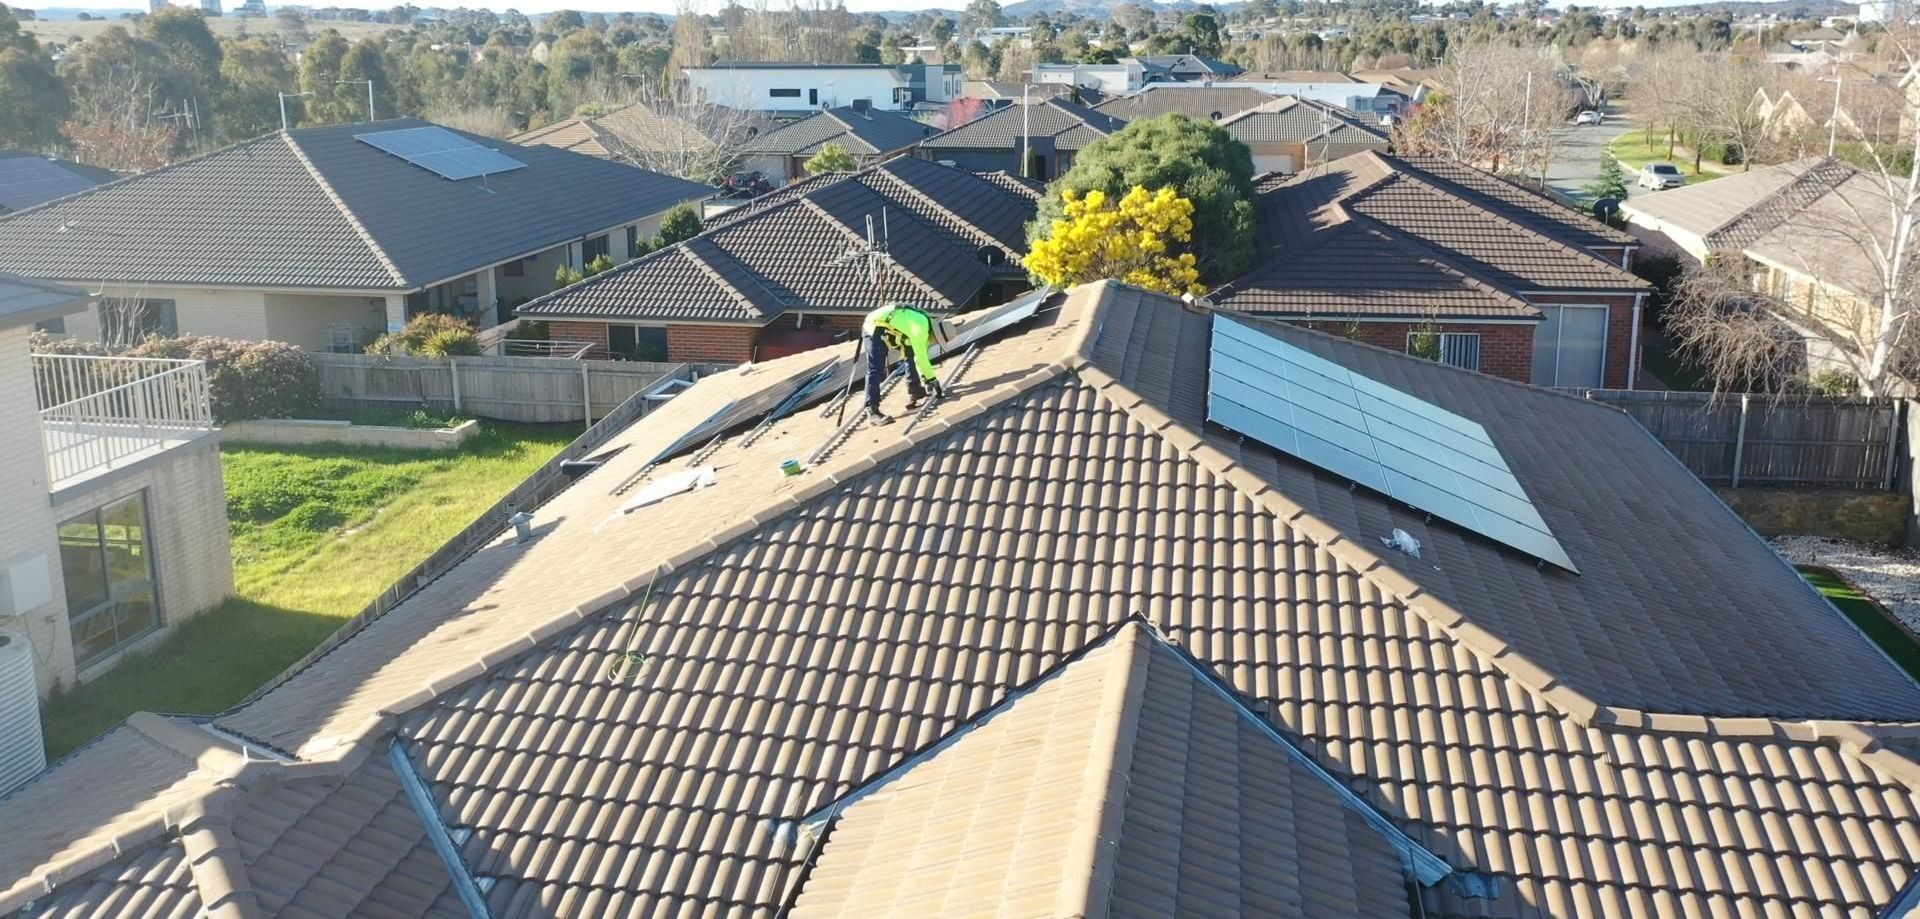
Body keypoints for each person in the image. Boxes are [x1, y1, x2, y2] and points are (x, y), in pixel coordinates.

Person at [861, 302, 945, 425]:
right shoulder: (920, 330)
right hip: (874, 326)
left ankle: (916, 391)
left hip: (889, 327)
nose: (933, 342)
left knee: (909, 349)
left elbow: (917, 357)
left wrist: (926, 379)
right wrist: (933, 381)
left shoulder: (926, 320)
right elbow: (921, 358)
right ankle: (872, 410)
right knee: (876, 369)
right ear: (935, 334)